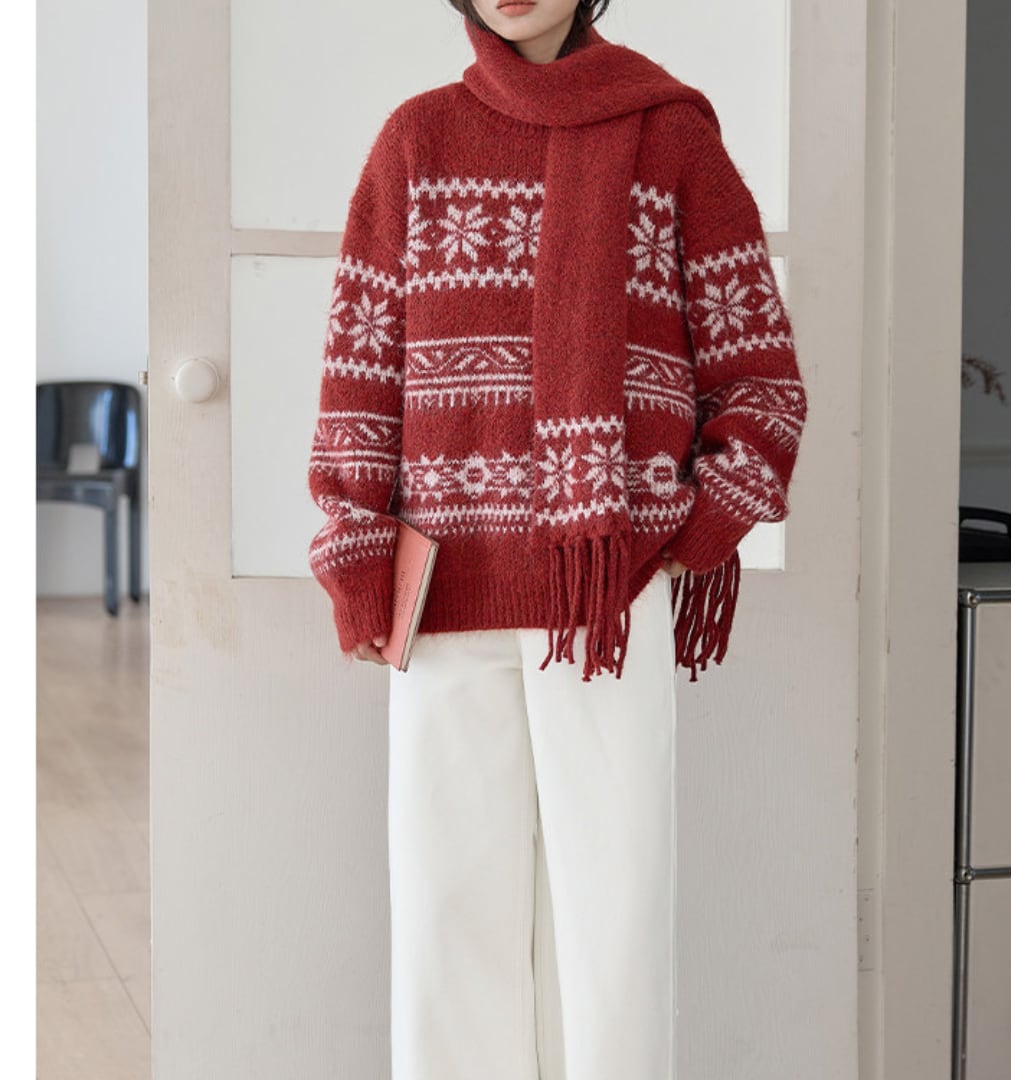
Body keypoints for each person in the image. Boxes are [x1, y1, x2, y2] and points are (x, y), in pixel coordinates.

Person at [306, 1, 808, 1077]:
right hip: (445, 590)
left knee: (613, 923)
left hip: (606, 598)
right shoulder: (416, 140)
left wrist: (687, 534)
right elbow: (362, 363)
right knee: (448, 921)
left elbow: (760, 376)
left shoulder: (672, 138)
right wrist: (354, 551)